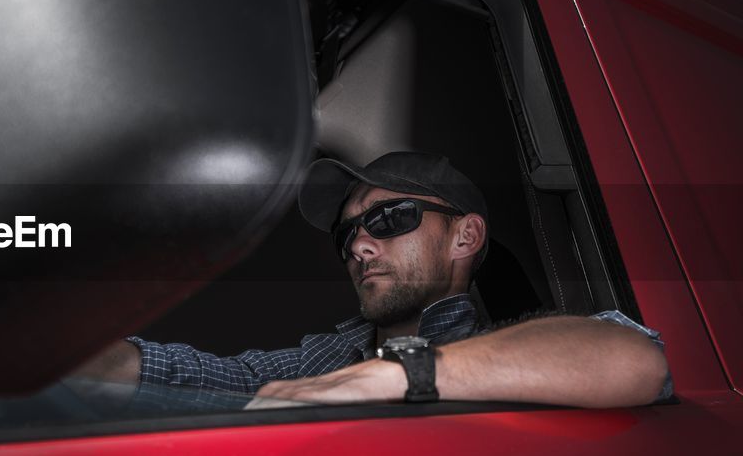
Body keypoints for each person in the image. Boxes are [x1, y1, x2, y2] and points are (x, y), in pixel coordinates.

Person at [78, 151, 671, 410]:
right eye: (347, 235)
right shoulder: (329, 355)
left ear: (465, 237)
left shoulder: (513, 348)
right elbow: (197, 375)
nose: (360, 244)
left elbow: (635, 356)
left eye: (390, 218)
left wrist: (397, 375)